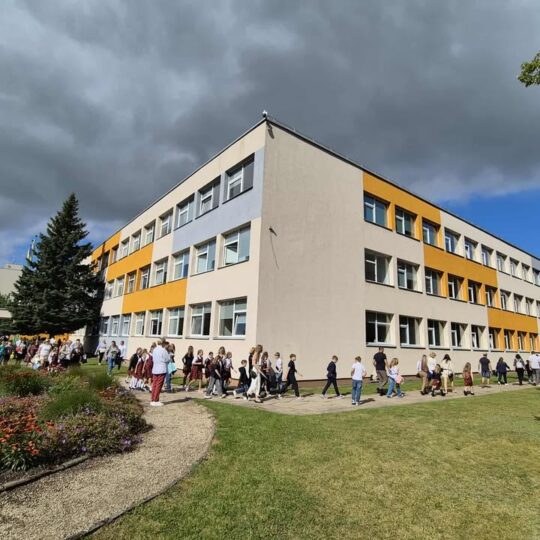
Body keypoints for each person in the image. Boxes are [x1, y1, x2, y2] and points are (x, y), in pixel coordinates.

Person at [150, 339, 170, 406]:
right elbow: (168, 359)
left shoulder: (155, 349)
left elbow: (153, 359)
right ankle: (156, 400)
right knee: (158, 385)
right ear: (163, 343)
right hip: (161, 369)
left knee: (154, 385)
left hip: (155, 368)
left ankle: (153, 399)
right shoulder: (163, 350)